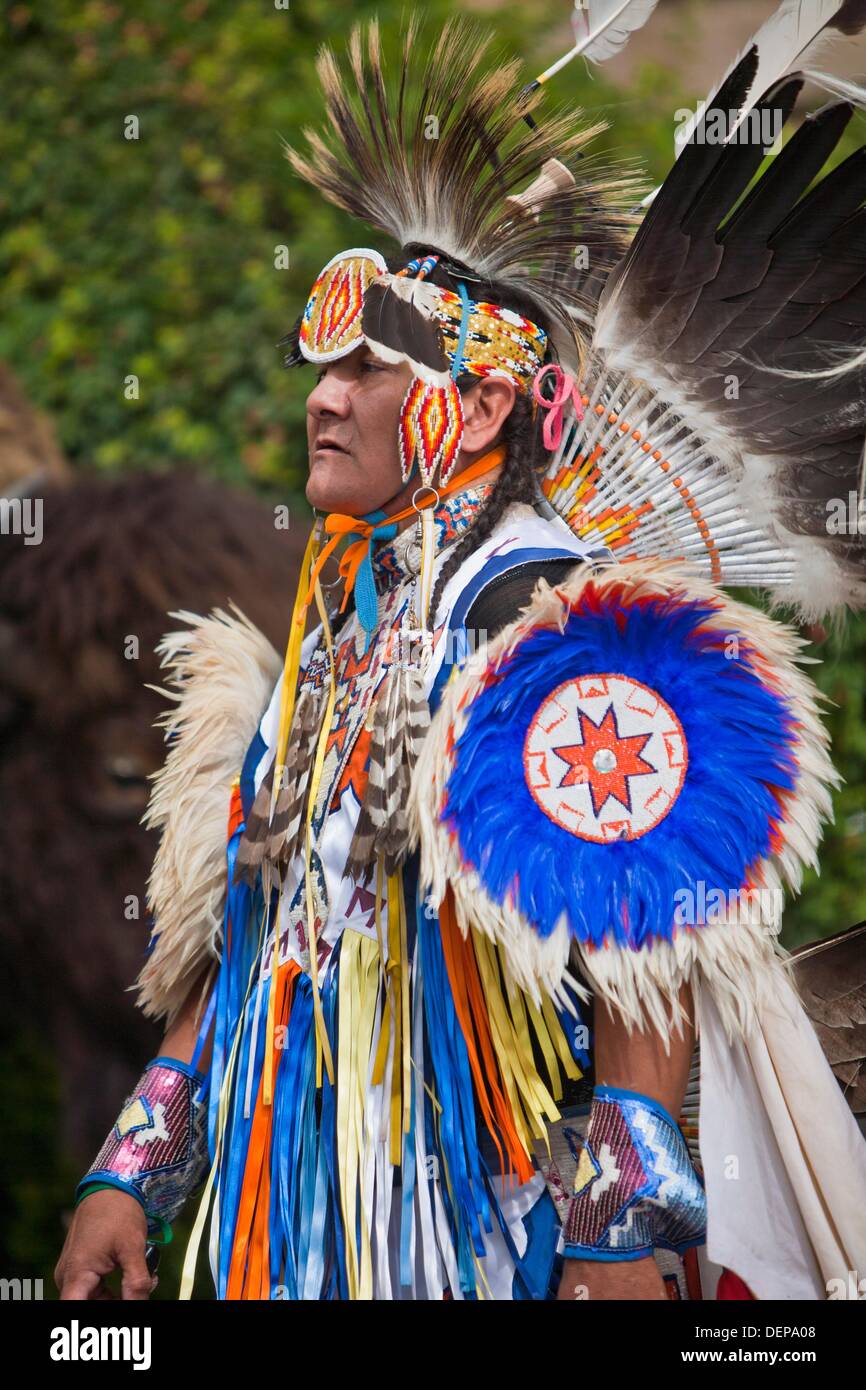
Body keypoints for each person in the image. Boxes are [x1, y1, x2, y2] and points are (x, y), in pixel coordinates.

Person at [57, 6, 866, 1301]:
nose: (323, 393)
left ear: (481, 402)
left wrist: (611, 1244)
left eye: (371, 369)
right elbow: (268, 936)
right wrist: (131, 1165)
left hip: (497, 1239)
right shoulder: (334, 640)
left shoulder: (559, 632)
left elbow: (640, 960)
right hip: (302, 1241)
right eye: (320, 362)